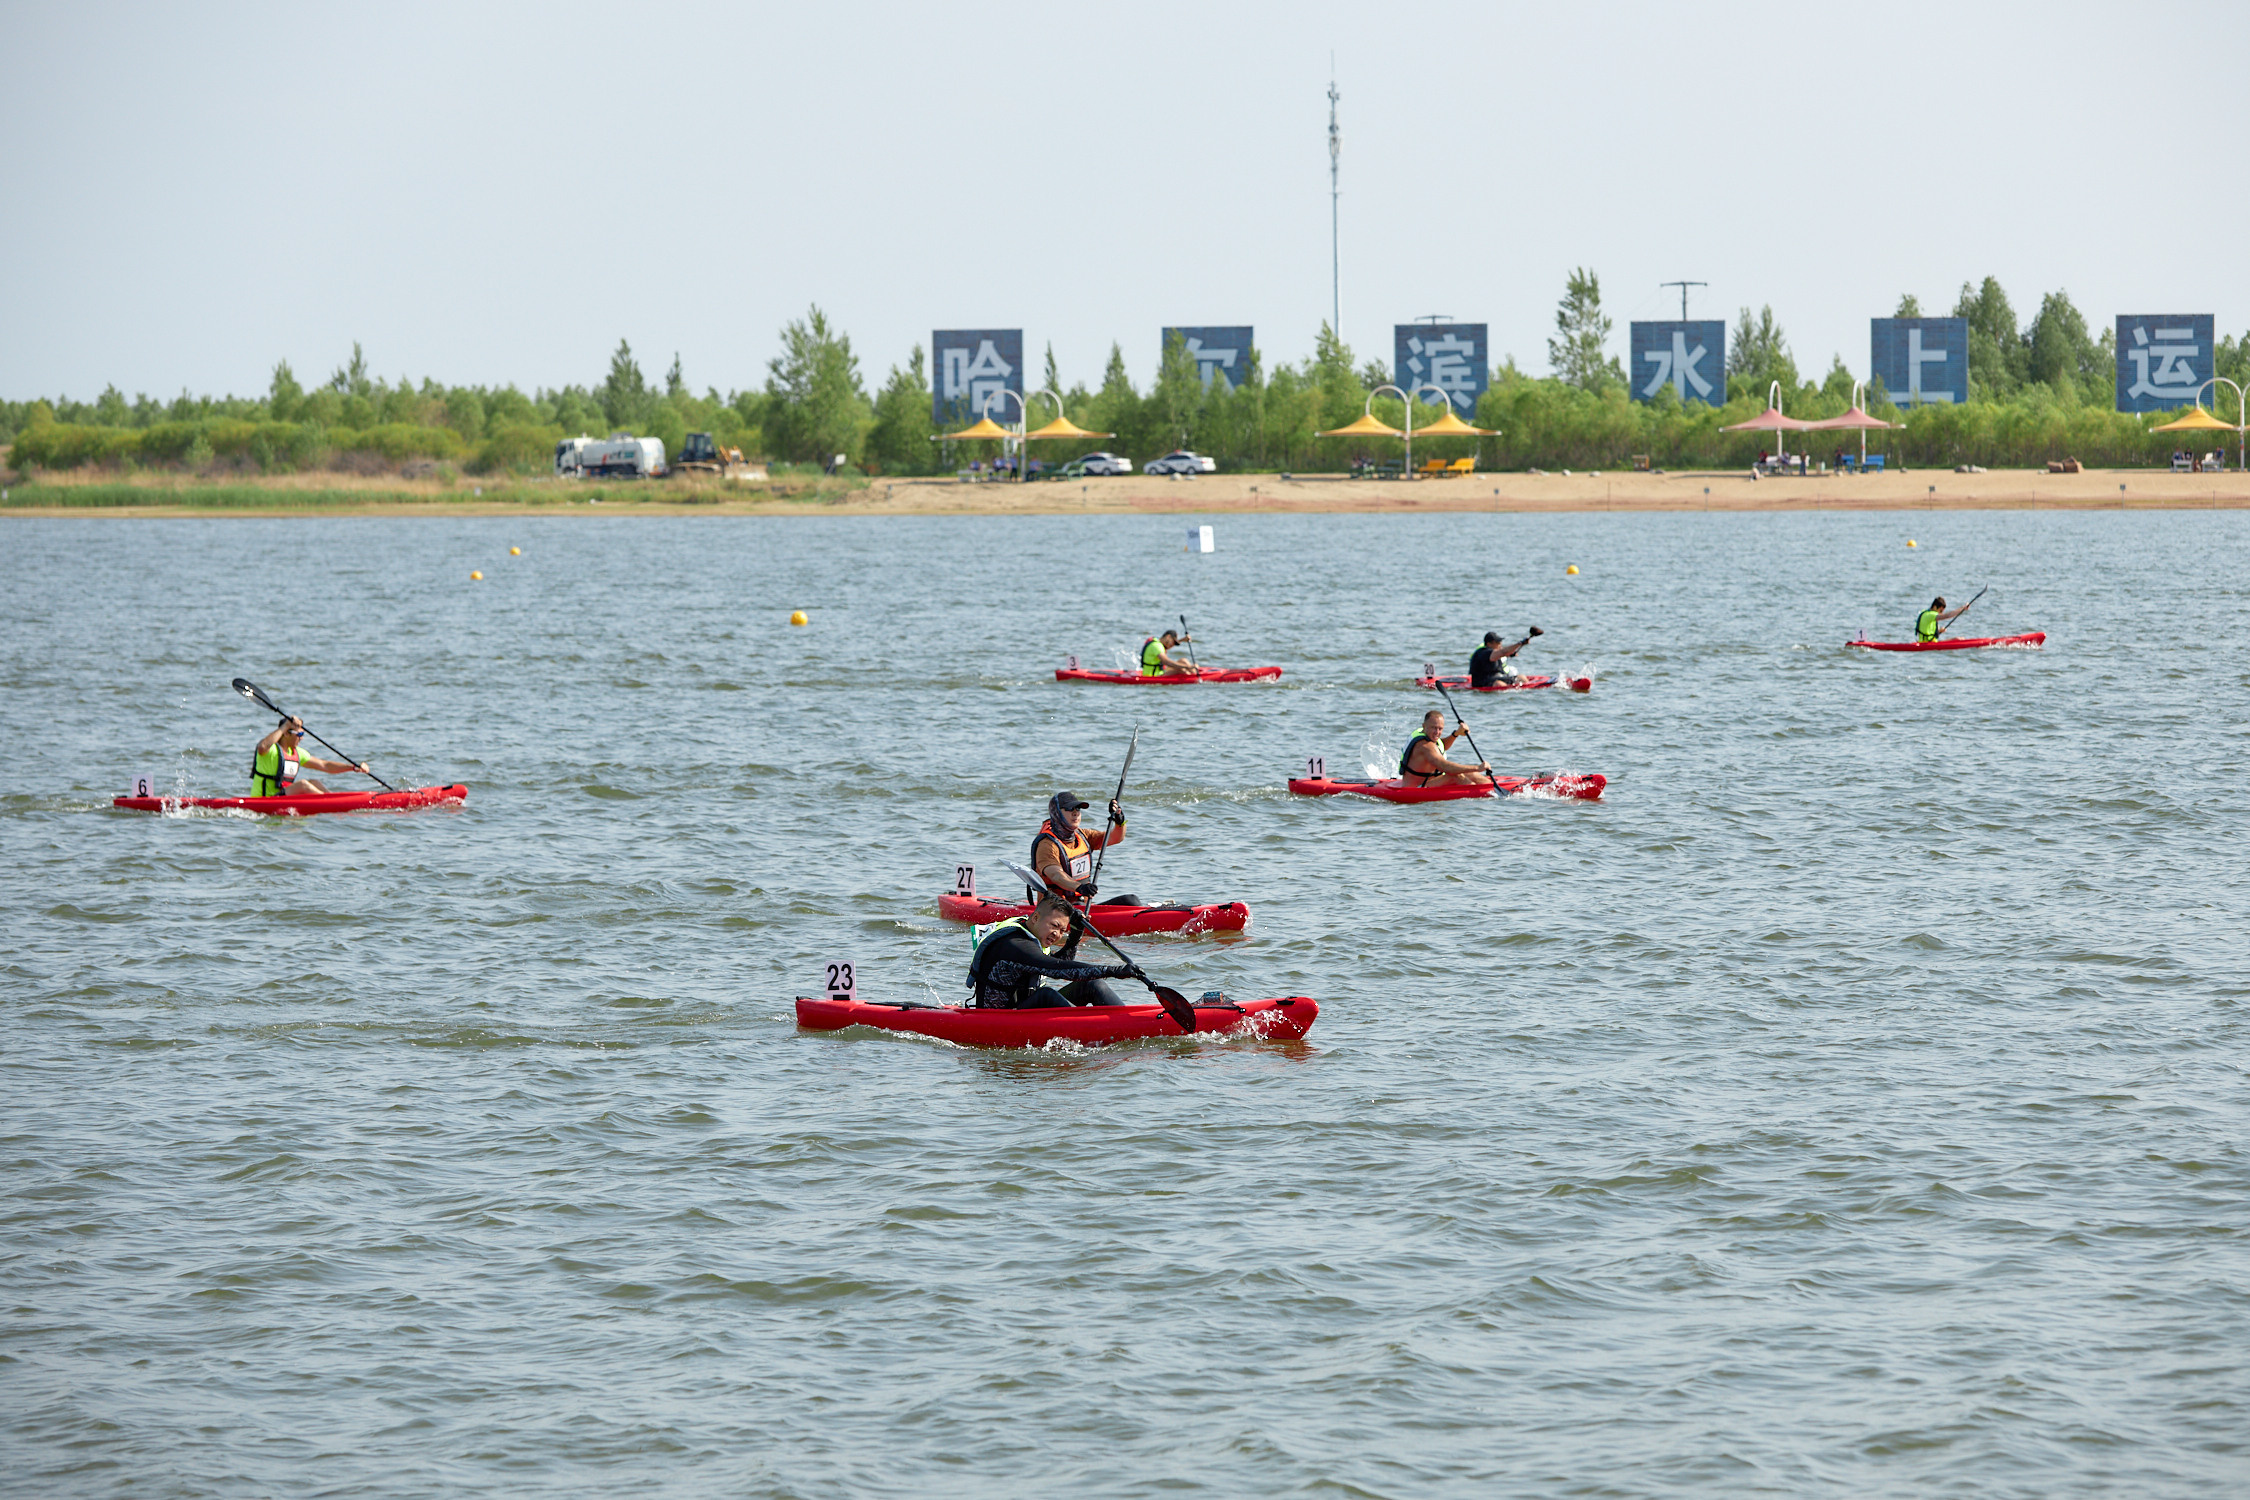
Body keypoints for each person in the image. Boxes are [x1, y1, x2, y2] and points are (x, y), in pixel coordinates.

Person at [967, 891, 1139, 1008]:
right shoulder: (1016, 945)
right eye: (1054, 926)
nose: (1057, 934)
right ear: (1035, 918)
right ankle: (1088, 1029)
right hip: (1002, 1017)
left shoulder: (1032, 932)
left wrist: (1076, 933)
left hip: (1025, 1007)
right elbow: (1057, 969)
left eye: (1063, 930)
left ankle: (1126, 1020)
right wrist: (1114, 971)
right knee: (1046, 995)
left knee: (1093, 984)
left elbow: (1061, 963)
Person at [1029, 791, 1128, 905]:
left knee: (1130, 900)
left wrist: (1119, 821)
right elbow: (1055, 875)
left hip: (1082, 905)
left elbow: (1115, 838)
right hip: (1054, 908)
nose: (1075, 813)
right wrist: (1079, 887)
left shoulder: (1083, 835)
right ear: (1056, 813)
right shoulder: (1047, 845)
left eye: (1078, 809)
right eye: (1070, 809)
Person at [250, 716, 368, 796]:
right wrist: (285, 726)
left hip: (283, 797)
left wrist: (353, 767)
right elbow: (262, 746)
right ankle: (333, 804)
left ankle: (334, 800)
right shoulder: (270, 750)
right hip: (265, 799)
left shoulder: (297, 752)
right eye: (299, 734)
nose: (302, 738)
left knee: (314, 782)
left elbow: (325, 765)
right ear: (286, 733)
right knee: (303, 784)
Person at [1400, 708, 1490, 786]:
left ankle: (1491, 788)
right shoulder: (1425, 746)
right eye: (1433, 728)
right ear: (1424, 726)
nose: (1437, 732)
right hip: (1417, 787)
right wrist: (1477, 768)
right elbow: (1445, 767)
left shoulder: (1424, 733)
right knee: (1456, 775)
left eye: (1440, 728)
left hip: (1430, 780)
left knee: (1471, 774)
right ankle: (1480, 794)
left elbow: (1441, 745)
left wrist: (1456, 734)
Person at [1468, 626, 1543, 688]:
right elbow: (1503, 652)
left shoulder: (1495, 652)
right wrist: (1519, 643)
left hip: (1498, 677)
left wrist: (1519, 646)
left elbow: (1505, 652)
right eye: (1497, 642)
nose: (1500, 643)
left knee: (1521, 678)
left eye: (1500, 641)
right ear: (1489, 644)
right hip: (1482, 681)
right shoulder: (1484, 653)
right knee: (1499, 684)